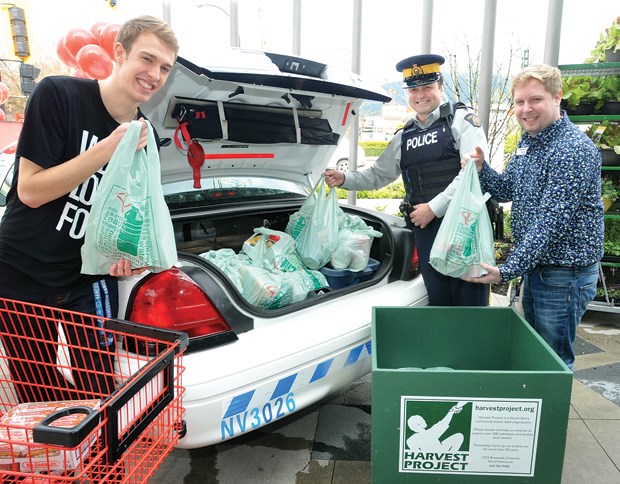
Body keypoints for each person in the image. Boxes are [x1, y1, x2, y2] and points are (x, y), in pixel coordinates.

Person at [0, 15, 179, 402]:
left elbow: (130, 212)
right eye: (147, 59)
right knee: (37, 390)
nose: (155, 74)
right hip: (21, 275)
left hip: (88, 277)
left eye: (165, 67)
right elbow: (30, 190)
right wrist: (107, 148)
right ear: (119, 52)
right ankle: (62, 462)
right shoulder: (58, 95)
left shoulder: (146, 134)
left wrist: (130, 257)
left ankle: (99, 461)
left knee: (99, 386)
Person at [463, 64, 604, 369]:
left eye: (535, 100)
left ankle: (549, 415)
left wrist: (507, 269)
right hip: (538, 268)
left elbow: (552, 221)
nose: (526, 109)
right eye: (519, 102)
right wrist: (482, 170)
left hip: (564, 274)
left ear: (557, 97)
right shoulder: (529, 142)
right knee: (537, 351)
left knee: (551, 360)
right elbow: (506, 189)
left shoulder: (572, 150)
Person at [324, 54, 490, 306]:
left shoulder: (461, 121)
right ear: (407, 93)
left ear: (440, 87)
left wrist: (433, 209)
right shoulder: (404, 136)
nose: (420, 95)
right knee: (439, 301)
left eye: (427, 87)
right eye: (414, 89)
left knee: (469, 303)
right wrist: (344, 177)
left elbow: (471, 175)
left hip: (463, 227)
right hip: (426, 229)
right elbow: (378, 175)